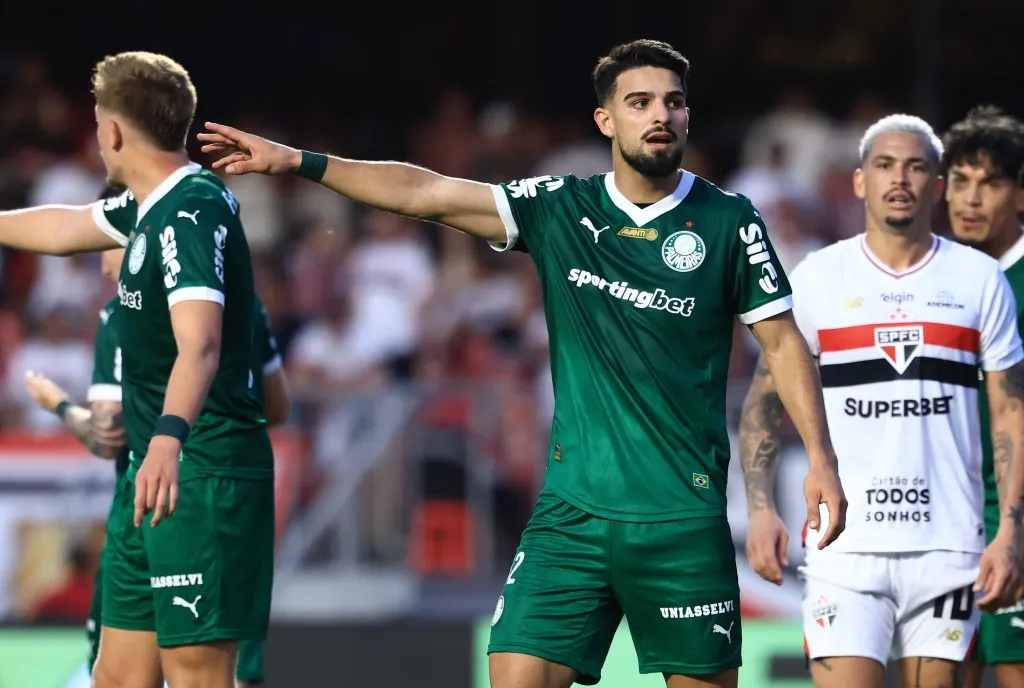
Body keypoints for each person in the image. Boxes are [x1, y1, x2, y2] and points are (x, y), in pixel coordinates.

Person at [198, 38, 847, 688]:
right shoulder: (561, 207)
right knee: (514, 674)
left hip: (681, 519)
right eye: (641, 102)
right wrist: (300, 162)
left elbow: (784, 342)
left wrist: (820, 458)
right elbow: (427, 192)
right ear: (606, 120)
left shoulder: (728, 220)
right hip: (573, 515)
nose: (661, 116)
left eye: (674, 103)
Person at [0, 51, 273, 688]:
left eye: (97, 124)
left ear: (114, 131)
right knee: (119, 678)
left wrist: (168, 441)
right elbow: (65, 227)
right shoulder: (150, 208)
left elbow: (199, 345)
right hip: (150, 483)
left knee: (197, 675)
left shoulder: (193, 209)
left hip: (196, 469)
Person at [739, 114, 1024, 688]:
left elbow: (1009, 412)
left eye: (917, 167)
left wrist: (1010, 531)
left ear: (935, 187)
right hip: (844, 549)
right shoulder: (820, 276)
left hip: (946, 548)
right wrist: (761, 507)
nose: (900, 179)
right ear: (859, 182)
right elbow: (765, 399)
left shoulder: (978, 280)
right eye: (885, 165)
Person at [33, 222, 289, 688]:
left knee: (189, 675)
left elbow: (109, 437)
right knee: (195, 671)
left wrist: (59, 406)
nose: (105, 268)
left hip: (168, 498)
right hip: (221, 491)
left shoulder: (122, 316)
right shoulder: (248, 308)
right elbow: (276, 407)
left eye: (104, 249)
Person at [943, 105, 1024, 688]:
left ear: (1019, 194)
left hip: (1014, 517)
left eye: (990, 183)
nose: (971, 199)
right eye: (960, 181)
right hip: (940, 519)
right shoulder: (931, 279)